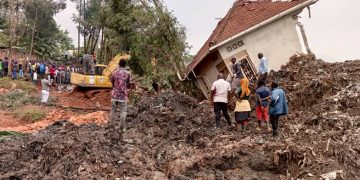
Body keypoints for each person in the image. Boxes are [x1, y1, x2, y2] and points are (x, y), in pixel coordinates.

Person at [109, 59, 131, 141]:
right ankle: (121, 129)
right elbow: (128, 84)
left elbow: (112, 82)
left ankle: (111, 127)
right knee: (123, 111)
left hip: (114, 95)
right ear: (125, 65)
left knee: (113, 111)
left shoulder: (114, 72)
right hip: (123, 96)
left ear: (118, 64)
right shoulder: (128, 73)